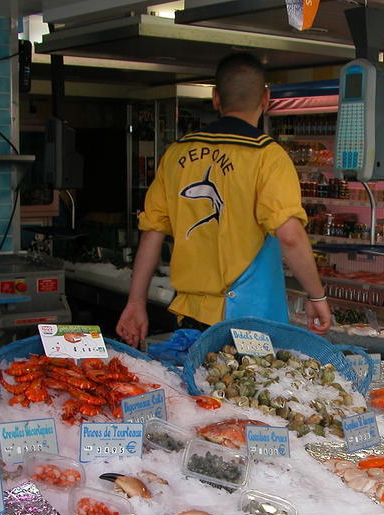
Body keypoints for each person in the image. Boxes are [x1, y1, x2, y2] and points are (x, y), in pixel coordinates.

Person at [116, 53, 332, 347]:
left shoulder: (177, 153)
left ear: (216, 98)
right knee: (245, 393)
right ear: (266, 99)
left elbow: (152, 232)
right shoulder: (267, 156)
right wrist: (316, 295)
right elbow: (290, 236)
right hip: (251, 321)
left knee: (198, 392)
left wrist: (135, 303)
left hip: (192, 317)